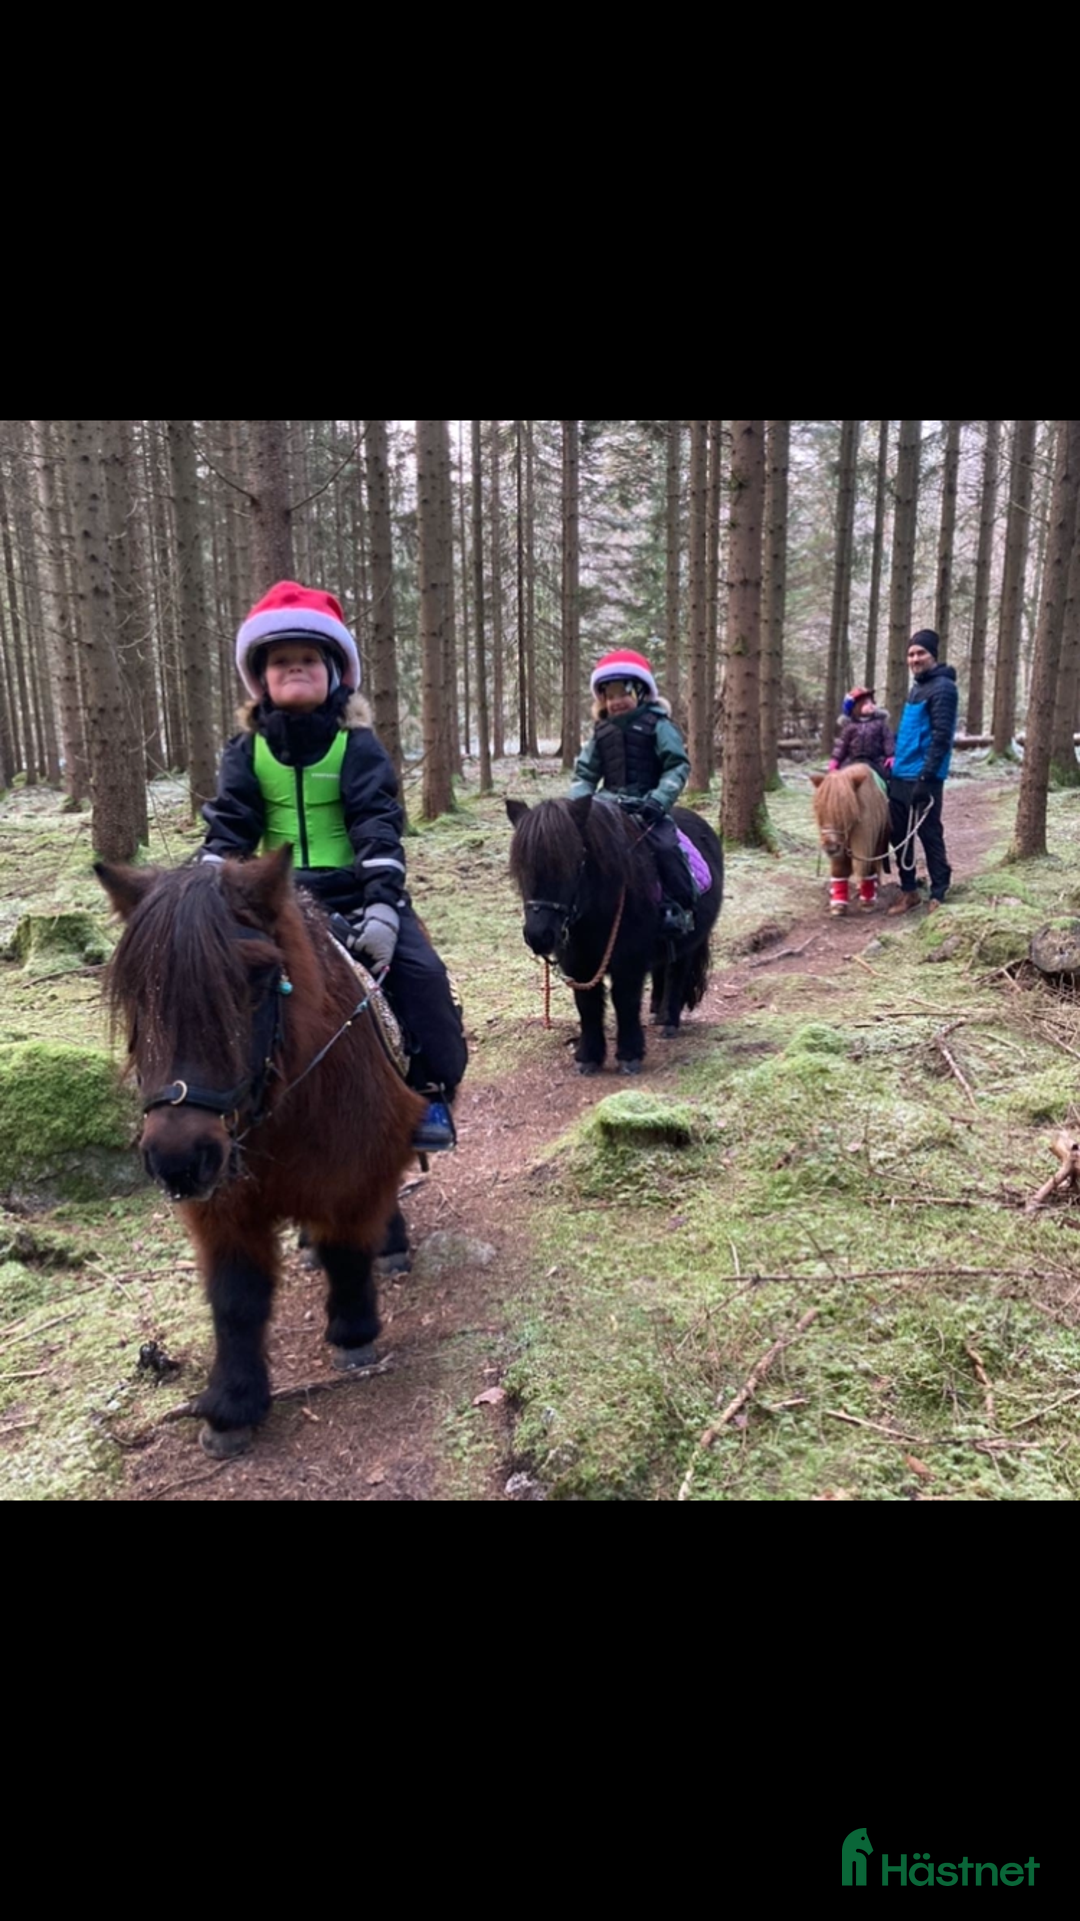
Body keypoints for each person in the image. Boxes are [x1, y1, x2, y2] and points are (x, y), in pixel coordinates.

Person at [198, 581, 467, 1149]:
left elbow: (377, 826)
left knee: (425, 984)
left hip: (354, 895)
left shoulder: (359, 747)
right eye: (281, 661)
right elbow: (230, 828)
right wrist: (206, 881)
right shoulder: (244, 753)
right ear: (261, 677)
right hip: (268, 903)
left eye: (308, 660)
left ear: (335, 672)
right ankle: (201, 1101)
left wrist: (383, 909)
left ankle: (430, 1094)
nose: (295, 669)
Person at [570, 647, 696, 936]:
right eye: (610, 695)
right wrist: (579, 807)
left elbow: (676, 765)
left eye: (623, 693)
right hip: (606, 806)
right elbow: (586, 774)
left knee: (665, 847)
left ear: (640, 692)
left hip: (647, 806)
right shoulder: (601, 732)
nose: (617, 702)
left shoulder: (659, 725)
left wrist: (660, 799)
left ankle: (676, 907)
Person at [885, 629, 959, 915]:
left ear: (932, 656)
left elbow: (941, 737)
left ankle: (939, 890)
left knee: (929, 834)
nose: (915, 658)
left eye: (921, 653)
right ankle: (908, 890)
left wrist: (927, 778)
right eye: (911, 654)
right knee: (899, 835)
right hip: (902, 775)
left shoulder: (943, 688)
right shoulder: (917, 687)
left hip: (925, 779)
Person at [828, 686, 895, 780]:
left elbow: (888, 739)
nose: (871, 705)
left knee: (886, 778)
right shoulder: (850, 727)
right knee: (841, 779)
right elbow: (841, 745)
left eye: (872, 702)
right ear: (856, 707)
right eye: (866, 703)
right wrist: (835, 759)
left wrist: (890, 755)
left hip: (875, 761)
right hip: (853, 760)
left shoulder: (880, 724)